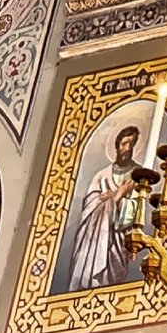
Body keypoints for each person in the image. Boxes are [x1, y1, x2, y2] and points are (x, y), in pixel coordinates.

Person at [57, 122, 148, 292]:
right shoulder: (102, 175)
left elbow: (136, 211)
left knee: (112, 278)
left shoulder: (139, 174)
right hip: (96, 237)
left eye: (132, 143)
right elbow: (89, 206)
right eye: (124, 143)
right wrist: (116, 196)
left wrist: (117, 196)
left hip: (118, 239)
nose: (127, 148)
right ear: (117, 145)